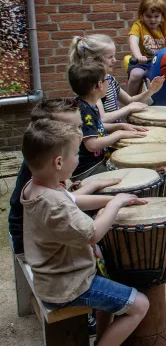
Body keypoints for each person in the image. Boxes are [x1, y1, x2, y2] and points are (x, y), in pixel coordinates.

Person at [20, 118, 150, 346]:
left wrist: (116, 198)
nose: (77, 160)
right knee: (140, 304)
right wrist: (114, 205)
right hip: (70, 284)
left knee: (111, 295)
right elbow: (93, 233)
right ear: (58, 163)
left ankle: (102, 344)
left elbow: (74, 199)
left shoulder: (37, 187)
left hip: (56, 276)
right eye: (75, 155)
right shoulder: (55, 204)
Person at [8, 99, 124, 257]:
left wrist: (96, 188)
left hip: (42, 233)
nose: (79, 134)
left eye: (79, 126)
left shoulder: (43, 165)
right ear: (48, 131)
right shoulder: (40, 171)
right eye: (71, 128)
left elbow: (65, 198)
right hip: (30, 244)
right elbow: (61, 202)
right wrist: (114, 202)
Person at [69, 59, 148, 179]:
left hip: (95, 163)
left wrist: (120, 126)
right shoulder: (86, 111)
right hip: (88, 170)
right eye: (108, 79)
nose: (109, 82)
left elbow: (96, 127)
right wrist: (119, 134)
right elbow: (92, 144)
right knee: (131, 176)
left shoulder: (86, 104)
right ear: (99, 85)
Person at [69, 34, 165, 121]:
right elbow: (101, 119)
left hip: (113, 131)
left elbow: (129, 100)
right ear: (94, 60)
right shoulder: (92, 86)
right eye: (110, 57)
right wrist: (128, 109)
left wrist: (150, 91)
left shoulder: (110, 80)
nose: (114, 60)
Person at [126, 0, 166, 95]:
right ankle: (129, 100)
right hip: (142, 62)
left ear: (162, 15)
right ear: (142, 15)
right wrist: (138, 56)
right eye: (148, 16)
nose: (153, 20)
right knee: (136, 75)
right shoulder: (138, 26)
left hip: (159, 62)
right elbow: (133, 42)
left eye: (156, 16)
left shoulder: (164, 27)